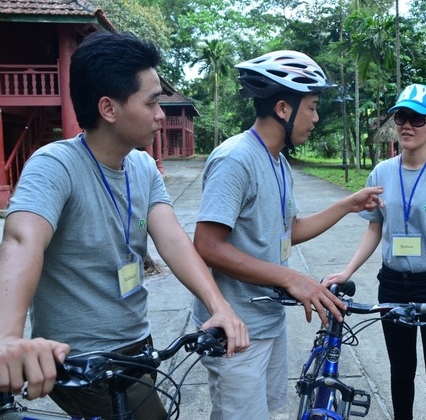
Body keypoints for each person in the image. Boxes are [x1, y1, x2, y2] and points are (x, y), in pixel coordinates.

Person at [0, 30, 249, 420]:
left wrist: (220, 306)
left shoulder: (142, 165)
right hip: (81, 361)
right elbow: (20, 239)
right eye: (151, 102)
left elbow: (173, 241)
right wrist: (7, 337)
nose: (161, 115)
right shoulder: (55, 165)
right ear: (109, 109)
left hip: (137, 344)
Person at [191, 50, 384, 420]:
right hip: (235, 329)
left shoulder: (278, 162)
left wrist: (347, 205)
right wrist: (293, 278)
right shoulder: (235, 159)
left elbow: (288, 231)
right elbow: (207, 246)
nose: (315, 117)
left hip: (267, 322)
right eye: (311, 107)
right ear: (283, 108)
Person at [323, 84, 426, 420]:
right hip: (393, 283)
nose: (407, 125)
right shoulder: (382, 172)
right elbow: (375, 228)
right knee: (401, 373)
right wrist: (346, 272)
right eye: (402, 116)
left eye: (418, 119)